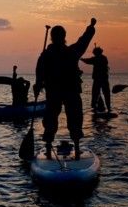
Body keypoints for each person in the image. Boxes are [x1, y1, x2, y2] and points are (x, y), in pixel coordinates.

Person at [34, 18, 96, 160]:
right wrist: (91, 27)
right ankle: (74, 147)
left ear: (52, 37)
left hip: (60, 91)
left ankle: (50, 148)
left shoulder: (46, 55)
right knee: (69, 118)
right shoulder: (69, 52)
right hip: (67, 91)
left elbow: (39, 74)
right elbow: (83, 41)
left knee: (58, 118)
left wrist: (38, 85)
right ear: (64, 37)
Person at [81, 46, 111, 113]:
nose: (94, 54)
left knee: (95, 93)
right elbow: (90, 60)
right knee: (105, 93)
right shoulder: (103, 58)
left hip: (98, 79)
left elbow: (88, 61)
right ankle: (108, 108)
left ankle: (95, 107)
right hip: (104, 79)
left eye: (94, 52)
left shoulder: (98, 58)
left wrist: (81, 59)